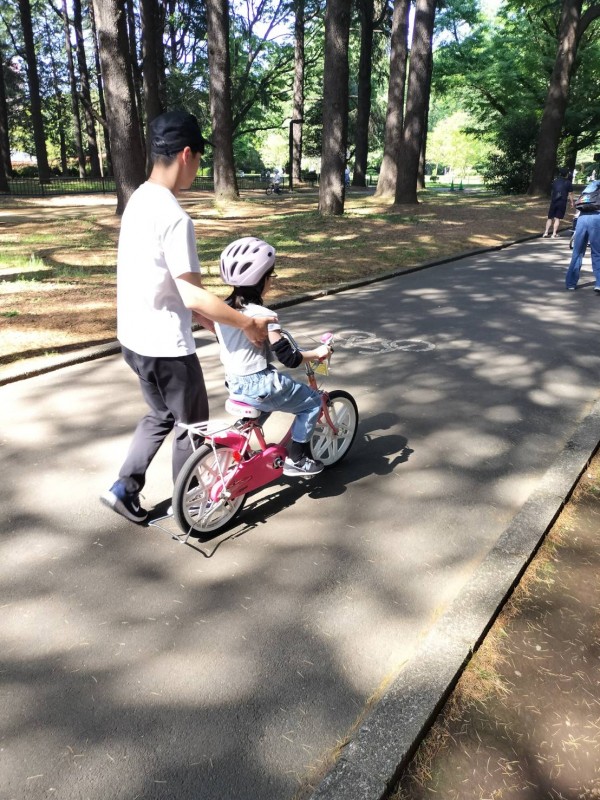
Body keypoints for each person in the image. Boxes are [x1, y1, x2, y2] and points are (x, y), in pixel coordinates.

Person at [101, 111, 274, 523]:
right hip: (166, 347)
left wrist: (212, 325)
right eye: (199, 157)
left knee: (160, 414)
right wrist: (245, 323)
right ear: (185, 154)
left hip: (133, 339)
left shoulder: (139, 199)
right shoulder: (176, 217)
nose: (198, 166)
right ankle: (194, 505)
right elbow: (191, 293)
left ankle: (123, 489)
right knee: (192, 426)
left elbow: (163, 283)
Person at [215, 237, 332, 477]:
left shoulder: (222, 310)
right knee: (311, 403)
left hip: (234, 382)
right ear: (263, 280)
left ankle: (240, 442)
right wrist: (317, 353)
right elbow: (289, 359)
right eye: (271, 275)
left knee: (262, 406)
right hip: (260, 382)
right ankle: (297, 459)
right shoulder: (263, 316)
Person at [565, 208, 600, 291]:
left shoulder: (585, 194)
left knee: (577, 252)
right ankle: (599, 283)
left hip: (581, 218)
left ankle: (570, 283)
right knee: (597, 252)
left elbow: (576, 207)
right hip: (596, 218)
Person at [543, 167, 574, 238]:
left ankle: (546, 232)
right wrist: (572, 202)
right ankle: (554, 234)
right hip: (562, 201)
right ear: (566, 174)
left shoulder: (555, 181)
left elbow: (553, 190)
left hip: (554, 201)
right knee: (557, 218)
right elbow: (570, 194)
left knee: (550, 217)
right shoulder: (568, 183)